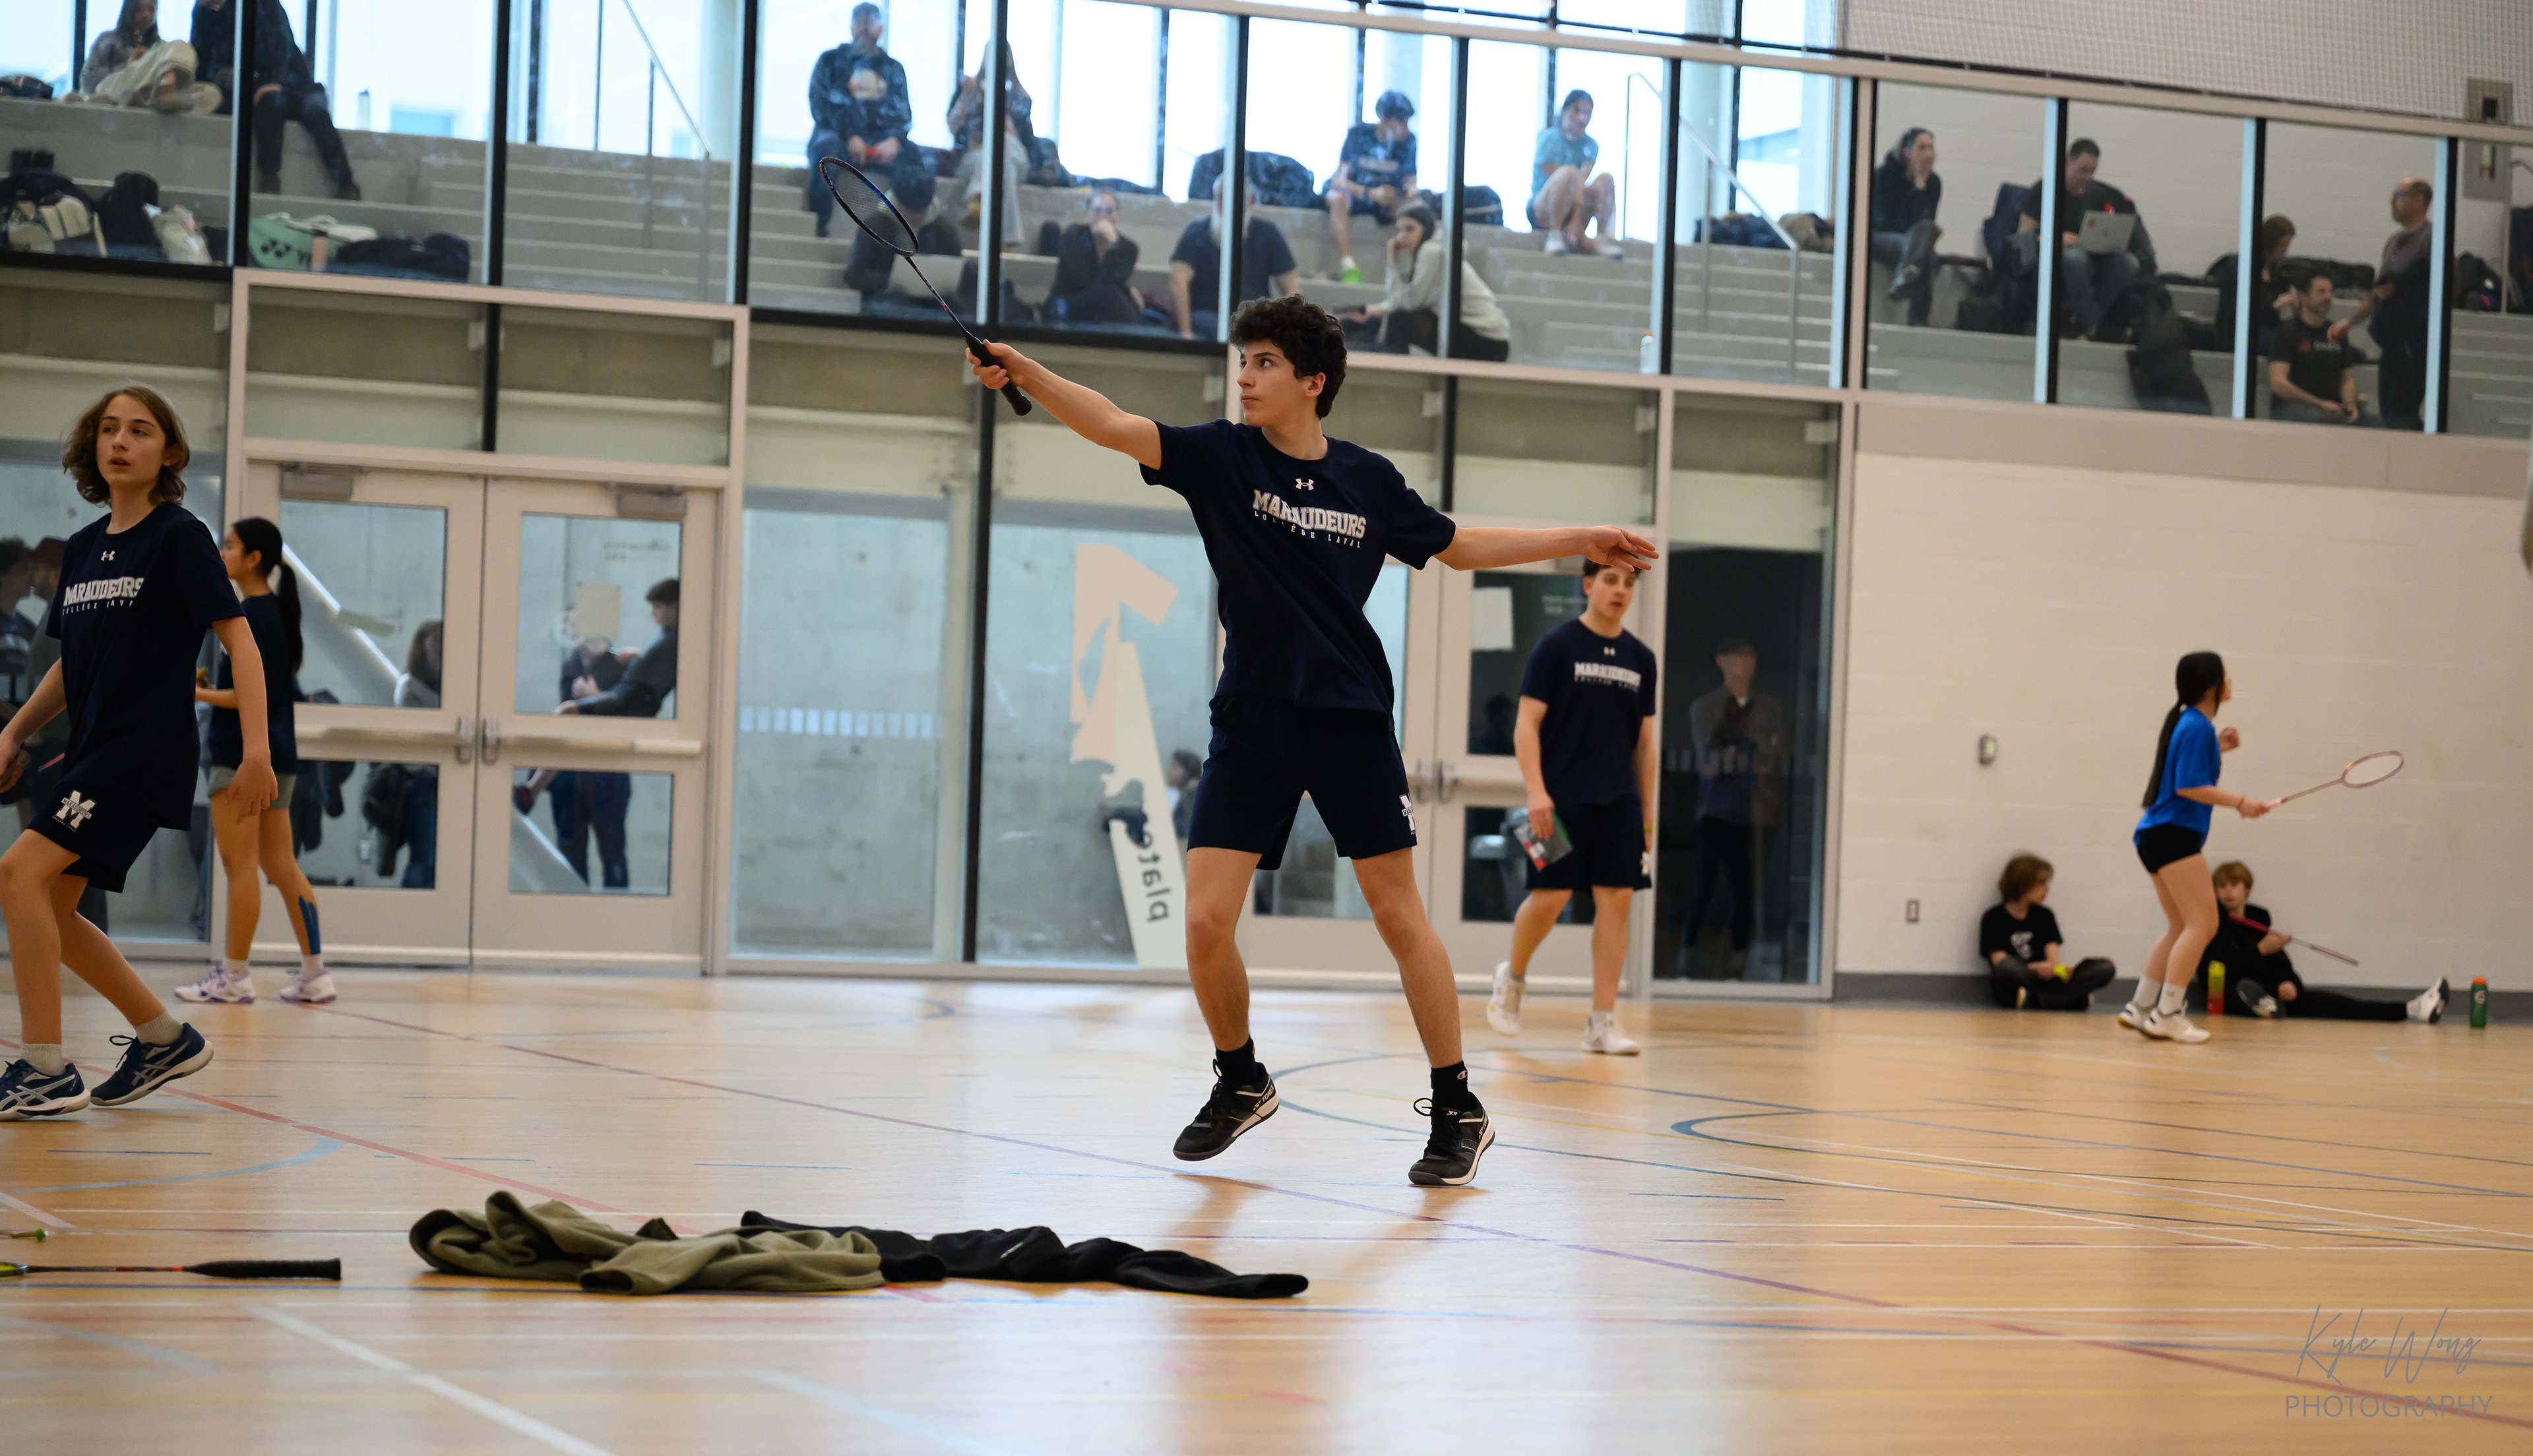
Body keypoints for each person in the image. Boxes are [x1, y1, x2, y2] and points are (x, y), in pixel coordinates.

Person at [966, 299, 1658, 1186]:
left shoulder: (1367, 481)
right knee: (1206, 920)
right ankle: (1240, 1077)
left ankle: (1458, 1105)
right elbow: (1111, 424)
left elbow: (1460, 544)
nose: (1244, 377)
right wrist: (1025, 371)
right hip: (1252, 718)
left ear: (1312, 381)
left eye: (1263, 363)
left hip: (1349, 718)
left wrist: (1579, 540)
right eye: (1243, 361)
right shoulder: (1222, 458)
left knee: (1398, 916)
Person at [0, 385, 272, 1120]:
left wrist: (256, 750)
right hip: (91, 751)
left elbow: (240, 643)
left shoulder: (178, 536)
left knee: (17, 874)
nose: (121, 441)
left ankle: (44, 1068)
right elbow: (71, 665)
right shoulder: (84, 549)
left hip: (142, 752)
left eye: (141, 430)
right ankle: (163, 1038)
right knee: (53, 907)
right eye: (110, 429)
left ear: (169, 452)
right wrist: (13, 732)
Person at [1487, 561, 1658, 1054]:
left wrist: (1648, 815)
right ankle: (1512, 979)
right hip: (1557, 800)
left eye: (1629, 583)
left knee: (1618, 900)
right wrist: (1535, 792)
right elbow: (1526, 725)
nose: (1620, 590)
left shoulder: (1642, 659)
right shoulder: (1556, 648)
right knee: (1551, 897)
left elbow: (1645, 743)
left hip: (1619, 801)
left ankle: (1602, 1023)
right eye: (1610, 580)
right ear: (1588, 585)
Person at [173, 516, 330, 1006]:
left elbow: (247, 697)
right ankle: (315, 974)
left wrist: (197, 693)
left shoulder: (251, 617)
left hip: (242, 757)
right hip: (278, 755)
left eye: (230, 546)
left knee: (239, 867)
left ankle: (235, 975)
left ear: (254, 558)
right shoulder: (272, 613)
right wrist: (212, 689)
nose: (222, 554)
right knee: (281, 866)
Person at [2121, 652, 2274, 1044]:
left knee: (2180, 926)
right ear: (2211, 687)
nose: (2231, 681)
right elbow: (2188, 786)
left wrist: (2216, 749)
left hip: (2154, 835)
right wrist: (2241, 802)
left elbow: (2182, 772)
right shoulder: (2197, 726)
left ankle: (2140, 1007)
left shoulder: (2191, 724)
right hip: (2173, 835)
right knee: (2204, 925)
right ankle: (2168, 1014)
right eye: (2226, 675)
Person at [2203, 861, 2445, 1022]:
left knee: (2331, 1003)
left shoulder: (2261, 923)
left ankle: (2412, 1009)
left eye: (2234, 885)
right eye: (2222, 887)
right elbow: (2213, 969)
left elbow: (2282, 966)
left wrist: (2291, 984)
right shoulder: (2211, 923)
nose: (2228, 892)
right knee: (2236, 990)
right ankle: (2265, 1005)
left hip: (2279, 996)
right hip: (2230, 995)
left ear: (2246, 889)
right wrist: (2258, 951)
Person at [1676, 632, 1786, 979]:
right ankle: (1688, 957)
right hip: (1717, 810)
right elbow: (1709, 761)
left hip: (1758, 811)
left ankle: (1740, 961)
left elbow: (1777, 755)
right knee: (1706, 887)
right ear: (1721, 661)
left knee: (1747, 889)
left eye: (1751, 655)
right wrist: (1749, 756)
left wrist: (1741, 755)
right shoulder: (1705, 707)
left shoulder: (1769, 707)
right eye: (1738, 655)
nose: (1746, 662)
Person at [191, 0, 361, 201]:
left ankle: (345, 184)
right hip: (246, 88)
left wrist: (266, 83)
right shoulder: (202, 13)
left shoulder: (262, 4)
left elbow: (280, 49)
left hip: (294, 83)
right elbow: (202, 64)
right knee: (270, 105)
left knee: (313, 112)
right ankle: (269, 180)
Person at [1342, 204, 1511, 362]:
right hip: (1483, 339)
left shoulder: (1431, 251)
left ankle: (1392, 370)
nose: (1402, 237)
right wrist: (1371, 310)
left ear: (1426, 229)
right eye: (1399, 231)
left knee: (1399, 320)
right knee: (1361, 324)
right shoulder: (1433, 251)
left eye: (1410, 229)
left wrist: (1392, 263)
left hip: (1489, 344)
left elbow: (1410, 304)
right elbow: (1401, 301)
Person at [805, 3, 918, 240]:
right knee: (824, 149)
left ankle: (910, 233)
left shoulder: (894, 69)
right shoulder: (830, 61)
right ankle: (819, 225)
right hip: (838, 137)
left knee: (916, 159)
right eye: (860, 23)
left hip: (881, 142)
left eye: (871, 23)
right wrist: (849, 135)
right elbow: (819, 105)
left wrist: (896, 140)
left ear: (881, 29)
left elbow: (904, 114)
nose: (865, 29)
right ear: (851, 27)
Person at [2330, 178, 2435, 430]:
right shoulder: (2393, 241)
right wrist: (2350, 322)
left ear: (2419, 200)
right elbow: (2378, 293)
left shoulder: (2432, 239)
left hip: (2415, 340)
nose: (2392, 200)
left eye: (2398, 195)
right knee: (2388, 408)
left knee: (2402, 410)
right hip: (2392, 340)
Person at [2017, 138, 2146, 339]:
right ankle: (2089, 321)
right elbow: (2022, 237)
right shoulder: (2043, 189)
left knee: (2129, 263)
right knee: (2073, 258)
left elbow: (2098, 231)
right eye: (2083, 170)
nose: (2088, 177)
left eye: (2092, 171)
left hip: (2089, 255)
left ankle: (2084, 319)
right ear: (2068, 162)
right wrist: (2054, 239)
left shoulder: (2096, 194)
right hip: (2056, 256)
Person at [1980, 853, 2114, 1010]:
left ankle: (2034, 1000)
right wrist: (2036, 968)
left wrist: (2058, 969)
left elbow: (2053, 959)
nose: (2047, 888)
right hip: (2023, 980)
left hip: (2046, 980)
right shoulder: (1993, 917)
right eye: (2041, 883)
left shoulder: (2045, 915)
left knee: (2105, 967)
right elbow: (1999, 961)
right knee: (2005, 968)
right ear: (2023, 884)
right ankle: (2069, 999)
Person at [1168, 191, 1299, 340]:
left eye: (1237, 198)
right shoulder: (1197, 232)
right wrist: (1186, 332)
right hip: (1209, 315)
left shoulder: (1267, 233)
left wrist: (1292, 333)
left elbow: (1292, 288)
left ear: (1250, 200)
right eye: (1222, 197)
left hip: (1256, 316)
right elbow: (1178, 282)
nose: (1228, 204)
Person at [944, 42, 1034, 252]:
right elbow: (953, 128)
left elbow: (1022, 140)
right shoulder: (968, 90)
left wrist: (998, 106)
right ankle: (1007, 240)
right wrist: (967, 97)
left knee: (1003, 143)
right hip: (976, 160)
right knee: (999, 164)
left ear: (1010, 60)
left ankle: (977, 197)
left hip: (1014, 156)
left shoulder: (1020, 98)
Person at [1326, 90, 1419, 284]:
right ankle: (1349, 266)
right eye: (1401, 122)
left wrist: (1400, 195)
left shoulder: (1408, 141)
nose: (1405, 128)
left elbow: (1412, 184)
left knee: (1416, 205)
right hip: (1358, 195)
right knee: (1337, 197)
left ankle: (1412, 270)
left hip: (1388, 201)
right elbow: (1339, 180)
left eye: (1407, 122)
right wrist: (1368, 193)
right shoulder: (1359, 134)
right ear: (1384, 118)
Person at [1529, 89, 1623, 258]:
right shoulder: (1548, 138)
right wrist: (1576, 223)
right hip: (1544, 208)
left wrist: (1577, 222)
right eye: (1577, 111)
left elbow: (1580, 183)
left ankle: (1601, 238)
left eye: (1587, 113)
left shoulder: (1591, 146)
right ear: (1564, 111)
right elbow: (1562, 181)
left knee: (1606, 179)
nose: (1582, 118)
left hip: (1573, 207)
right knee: (1569, 173)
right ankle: (1555, 235)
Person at [79, 0, 216, 113]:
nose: (146, 14)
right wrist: (130, 62)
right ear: (129, 10)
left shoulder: (161, 47)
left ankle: (156, 96)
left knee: (212, 93)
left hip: (147, 87)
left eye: (151, 9)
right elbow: (87, 80)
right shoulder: (107, 39)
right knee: (179, 45)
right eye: (140, 9)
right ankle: (164, 91)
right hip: (112, 87)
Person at [2268, 274, 2368, 425]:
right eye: (2321, 292)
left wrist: (2350, 404)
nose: (2328, 297)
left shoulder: (2336, 333)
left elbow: (2347, 380)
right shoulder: (2286, 333)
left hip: (2333, 408)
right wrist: (2319, 403)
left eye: (2330, 292)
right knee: (2320, 418)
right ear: (2304, 297)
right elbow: (2278, 383)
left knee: (2375, 424)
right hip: (2294, 407)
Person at [1871, 127, 1943, 326]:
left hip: (1911, 242)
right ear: (1906, 151)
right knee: (1926, 251)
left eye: (1931, 148)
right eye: (1922, 148)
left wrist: (1920, 187)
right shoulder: (1884, 175)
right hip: (1882, 237)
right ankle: (1919, 319)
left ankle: (1906, 275)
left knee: (1928, 242)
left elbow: (1924, 223)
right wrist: (1917, 190)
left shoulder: (1933, 183)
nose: (1929, 154)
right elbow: (1883, 221)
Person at [393, 621, 442, 890]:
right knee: (424, 860)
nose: (442, 651)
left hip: (444, 781)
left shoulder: (452, 688)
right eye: (437, 644)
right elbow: (414, 743)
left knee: (441, 863)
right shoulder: (410, 687)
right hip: (421, 783)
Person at [1046, 193, 1143, 327]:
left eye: (1109, 211)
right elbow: (1083, 280)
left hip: (1104, 306)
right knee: (1110, 296)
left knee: (1123, 301)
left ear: (1118, 216)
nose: (1103, 216)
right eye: (1097, 210)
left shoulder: (1128, 248)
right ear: (1088, 214)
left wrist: (1112, 245)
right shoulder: (1072, 236)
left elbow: (1113, 280)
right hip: (1066, 303)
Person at [2218, 214, 2299, 358]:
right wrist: (2274, 307)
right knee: (2289, 343)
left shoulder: (2276, 270)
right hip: (2240, 332)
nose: (2285, 250)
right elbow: (2236, 310)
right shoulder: (2240, 267)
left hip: (2268, 328)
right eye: (2283, 245)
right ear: (2270, 243)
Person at [1166, 748, 1203, 843]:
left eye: (1174, 767)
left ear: (1188, 770)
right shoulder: (1178, 793)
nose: (1169, 771)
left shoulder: (1193, 794)